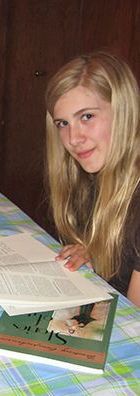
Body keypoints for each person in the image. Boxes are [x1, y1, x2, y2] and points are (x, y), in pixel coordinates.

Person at [45, 51, 140, 308]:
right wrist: (94, 253)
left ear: (124, 112)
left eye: (87, 117)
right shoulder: (92, 177)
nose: (73, 138)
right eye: (63, 123)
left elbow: (133, 322)